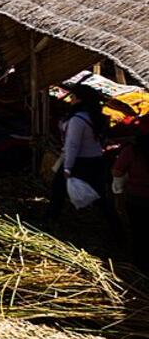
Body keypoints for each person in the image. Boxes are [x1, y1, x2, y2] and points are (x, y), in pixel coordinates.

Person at [46, 86, 117, 225]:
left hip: (79, 161)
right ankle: (115, 227)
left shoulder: (77, 120)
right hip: (95, 160)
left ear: (79, 99)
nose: (70, 99)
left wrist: (67, 168)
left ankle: (49, 220)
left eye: (73, 97)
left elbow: (73, 145)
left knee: (58, 191)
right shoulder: (95, 116)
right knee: (100, 196)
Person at [113, 120, 149, 266]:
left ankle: (140, 265)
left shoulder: (132, 150)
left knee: (139, 233)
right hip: (138, 198)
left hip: (137, 198)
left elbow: (117, 171)